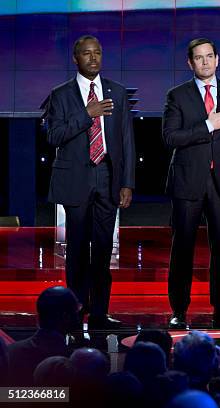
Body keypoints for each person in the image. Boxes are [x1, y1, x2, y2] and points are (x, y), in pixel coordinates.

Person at [162, 38, 220, 329]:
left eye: (209, 56)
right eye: (198, 58)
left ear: (218, 59)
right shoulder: (178, 96)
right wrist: (207, 125)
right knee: (183, 249)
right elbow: (171, 137)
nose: (205, 62)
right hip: (188, 182)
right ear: (190, 63)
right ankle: (179, 309)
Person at [46, 35, 135, 330]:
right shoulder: (60, 95)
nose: (93, 58)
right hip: (76, 179)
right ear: (76, 58)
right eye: (87, 53)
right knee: (77, 249)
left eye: (97, 52)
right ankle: (75, 310)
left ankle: (99, 312)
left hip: (108, 177)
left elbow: (126, 140)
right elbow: (54, 136)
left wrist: (127, 182)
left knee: (102, 249)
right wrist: (87, 114)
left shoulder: (117, 92)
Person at [7, 286, 81, 385]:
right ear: (66, 317)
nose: (79, 317)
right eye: (76, 312)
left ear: (39, 317)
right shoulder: (75, 361)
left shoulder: (9, 352)